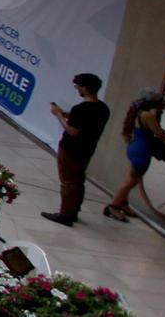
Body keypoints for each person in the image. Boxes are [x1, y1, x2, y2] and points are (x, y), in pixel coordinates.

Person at [42, 73, 110, 226]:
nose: (77, 89)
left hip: (71, 149)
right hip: (87, 149)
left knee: (68, 181)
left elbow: (72, 130)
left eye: (78, 86)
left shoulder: (81, 109)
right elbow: (84, 122)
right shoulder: (103, 109)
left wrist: (58, 115)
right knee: (78, 180)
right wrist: (66, 113)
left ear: (84, 88)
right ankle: (74, 210)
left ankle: (65, 213)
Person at [104, 95, 165, 222]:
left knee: (130, 177)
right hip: (143, 151)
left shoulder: (138, 112)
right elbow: (160, 135)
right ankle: (113, 206)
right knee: (131, 182)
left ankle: (123, 203)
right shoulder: (148, 116)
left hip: (135, 146)